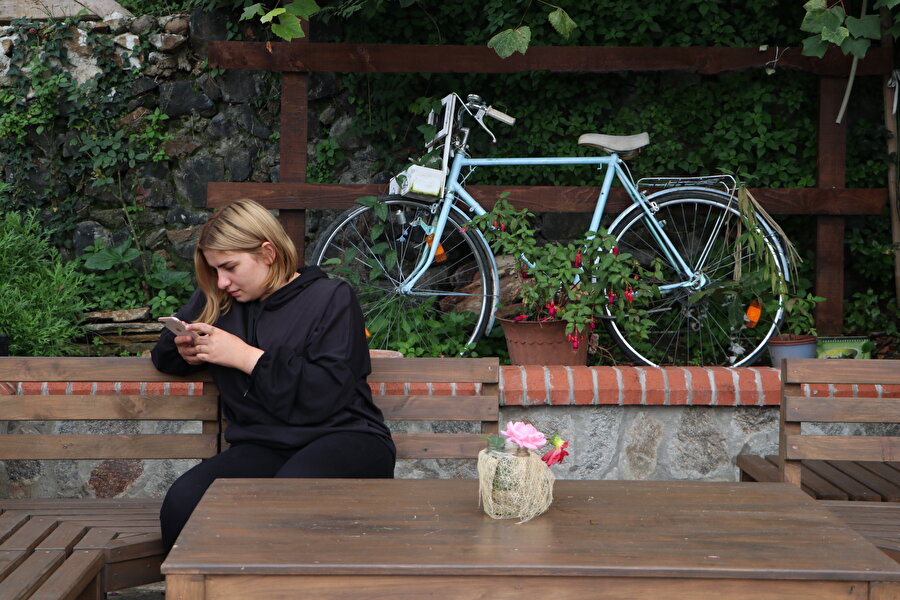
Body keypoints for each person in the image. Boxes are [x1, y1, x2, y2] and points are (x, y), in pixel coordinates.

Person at [151, 199, 395, 552]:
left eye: (230, 267)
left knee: (288, 496)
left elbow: (326, 392)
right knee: (184, 501)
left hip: (345, 437)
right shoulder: (223, 300)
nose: (221, 281)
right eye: (214, 269)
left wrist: (244, 357)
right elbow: (164, 355)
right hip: (266, 445)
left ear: (267, 252)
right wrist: (186, 350)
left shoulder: (330, 297)